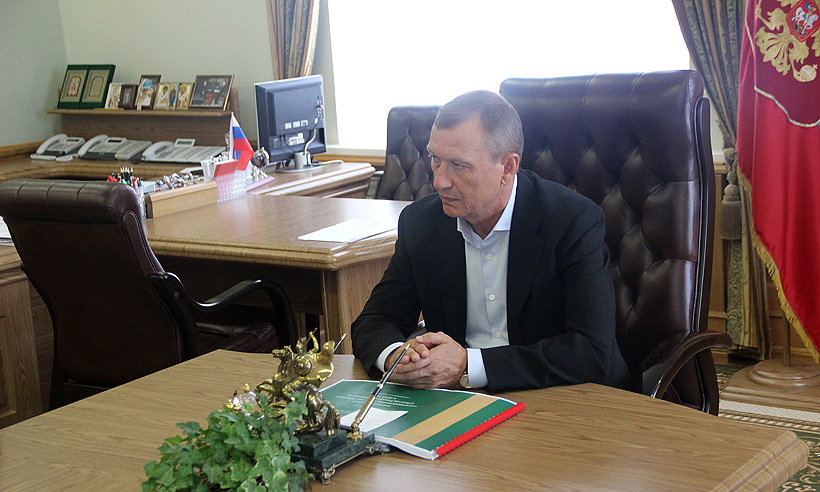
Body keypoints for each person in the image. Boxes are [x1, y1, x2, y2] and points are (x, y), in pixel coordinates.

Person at [351, 90, 632, 392]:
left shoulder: (572, 221)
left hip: (566, 395)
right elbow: (375, 321)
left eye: (458, 165)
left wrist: (469, 365)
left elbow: (591, 351)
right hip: (459, 400)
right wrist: (397, 357)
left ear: (507, 167)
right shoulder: (422, 223)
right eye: (435, 159)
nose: (439, 181)